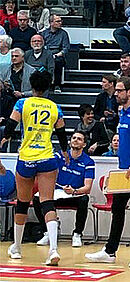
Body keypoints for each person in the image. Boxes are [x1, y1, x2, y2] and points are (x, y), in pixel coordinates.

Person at [85, 77, 130, 268]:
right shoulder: (122, 112)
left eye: (119, 90)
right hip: (124, 171)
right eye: (116, 91)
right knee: (117, 210)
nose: (116, 94)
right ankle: (110, 251)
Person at [3, 70, 69, 265]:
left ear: (31, 85)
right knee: (47, 202)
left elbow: (10, 125)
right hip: (47, 157)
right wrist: (64, 152)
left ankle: (16, 248)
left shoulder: (23, 103)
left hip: (26, 158)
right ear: (48, 86)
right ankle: (54, 249)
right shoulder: (55, 107)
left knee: (22, 203)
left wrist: (4, 138)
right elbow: (62, 133)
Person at [33, 131, 95, 248]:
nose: (76, 140)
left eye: (79, 139)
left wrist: (74, 191)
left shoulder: (88, 162)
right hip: (57, 193)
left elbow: (87, 188)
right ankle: (47, 232)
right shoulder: (59, 156)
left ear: (84, 145)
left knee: (84, 200)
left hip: (73, 195)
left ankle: (77, 234)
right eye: (74, 138)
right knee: (37, 199)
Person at [40, 15, 70, 93]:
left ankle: (57, 85)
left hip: (57, 55)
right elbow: (41, 46)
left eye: (60, 21)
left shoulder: (64, 34)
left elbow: (66, 48)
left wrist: (56, 55)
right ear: (51, 23)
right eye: (57, 21)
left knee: (58, 62)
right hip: (46, 53)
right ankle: (44, 85)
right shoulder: (44, 33)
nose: (60, 23)